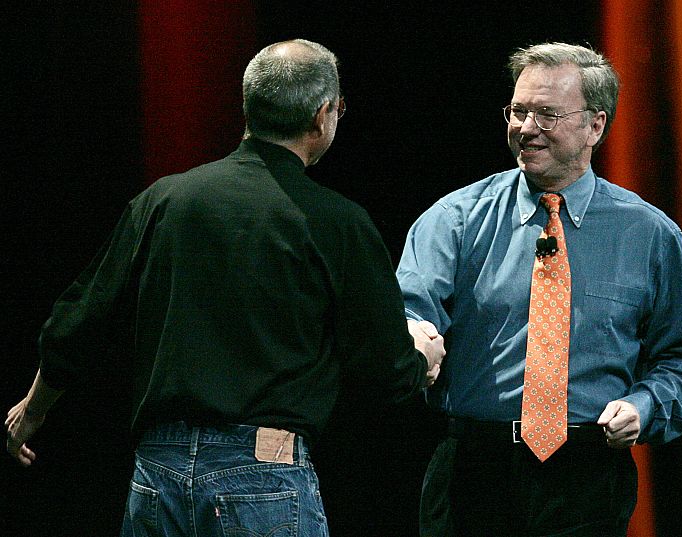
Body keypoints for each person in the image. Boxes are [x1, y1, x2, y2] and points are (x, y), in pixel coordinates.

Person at [6, 39, 445, 537]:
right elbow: (384, 371)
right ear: (322, 115)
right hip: (263, 477)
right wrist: (421, 359)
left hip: (158, 472)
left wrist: (32, 412)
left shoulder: (164, 200)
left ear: (248, 107)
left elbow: (79, 321)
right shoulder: (338, 223)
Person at [396, 41, 682, 537]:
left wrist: (645, 405)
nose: (526, 128)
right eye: (518, 111)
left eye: (547, 115)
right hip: (474, 473)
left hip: (587, 475)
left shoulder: (649, 234)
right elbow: (409, 311)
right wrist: (413, 334)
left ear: (595, 125)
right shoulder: (454, 220)